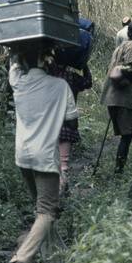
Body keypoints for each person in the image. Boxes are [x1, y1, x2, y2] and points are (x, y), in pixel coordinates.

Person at [7, 45, 79, 263]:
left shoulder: (18, 81)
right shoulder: (59, 86)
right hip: (45, 157)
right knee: (48, 211)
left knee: (40, 209)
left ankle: (55, 256)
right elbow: (71, 117)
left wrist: (20, 49)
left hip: (22, 157)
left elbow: (14, 64)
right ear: (42, 58)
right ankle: (23, 257)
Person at [101, 21, 132, 174]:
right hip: (122, 99)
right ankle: (118, 171)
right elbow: (131, 68)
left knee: (125, 135)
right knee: (127, 136)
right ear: (131, 34)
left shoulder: (119, 48)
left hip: (113, 98)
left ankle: (119, 169)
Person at [47, 59, 92, 195]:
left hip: (49, 124)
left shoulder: (46, 78)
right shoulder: (72, 77)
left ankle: (55, 191)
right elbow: (88, 82)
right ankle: (62, 190)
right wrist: (84, 65)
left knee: (51, 161)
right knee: (63, 162)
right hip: (67, 122)